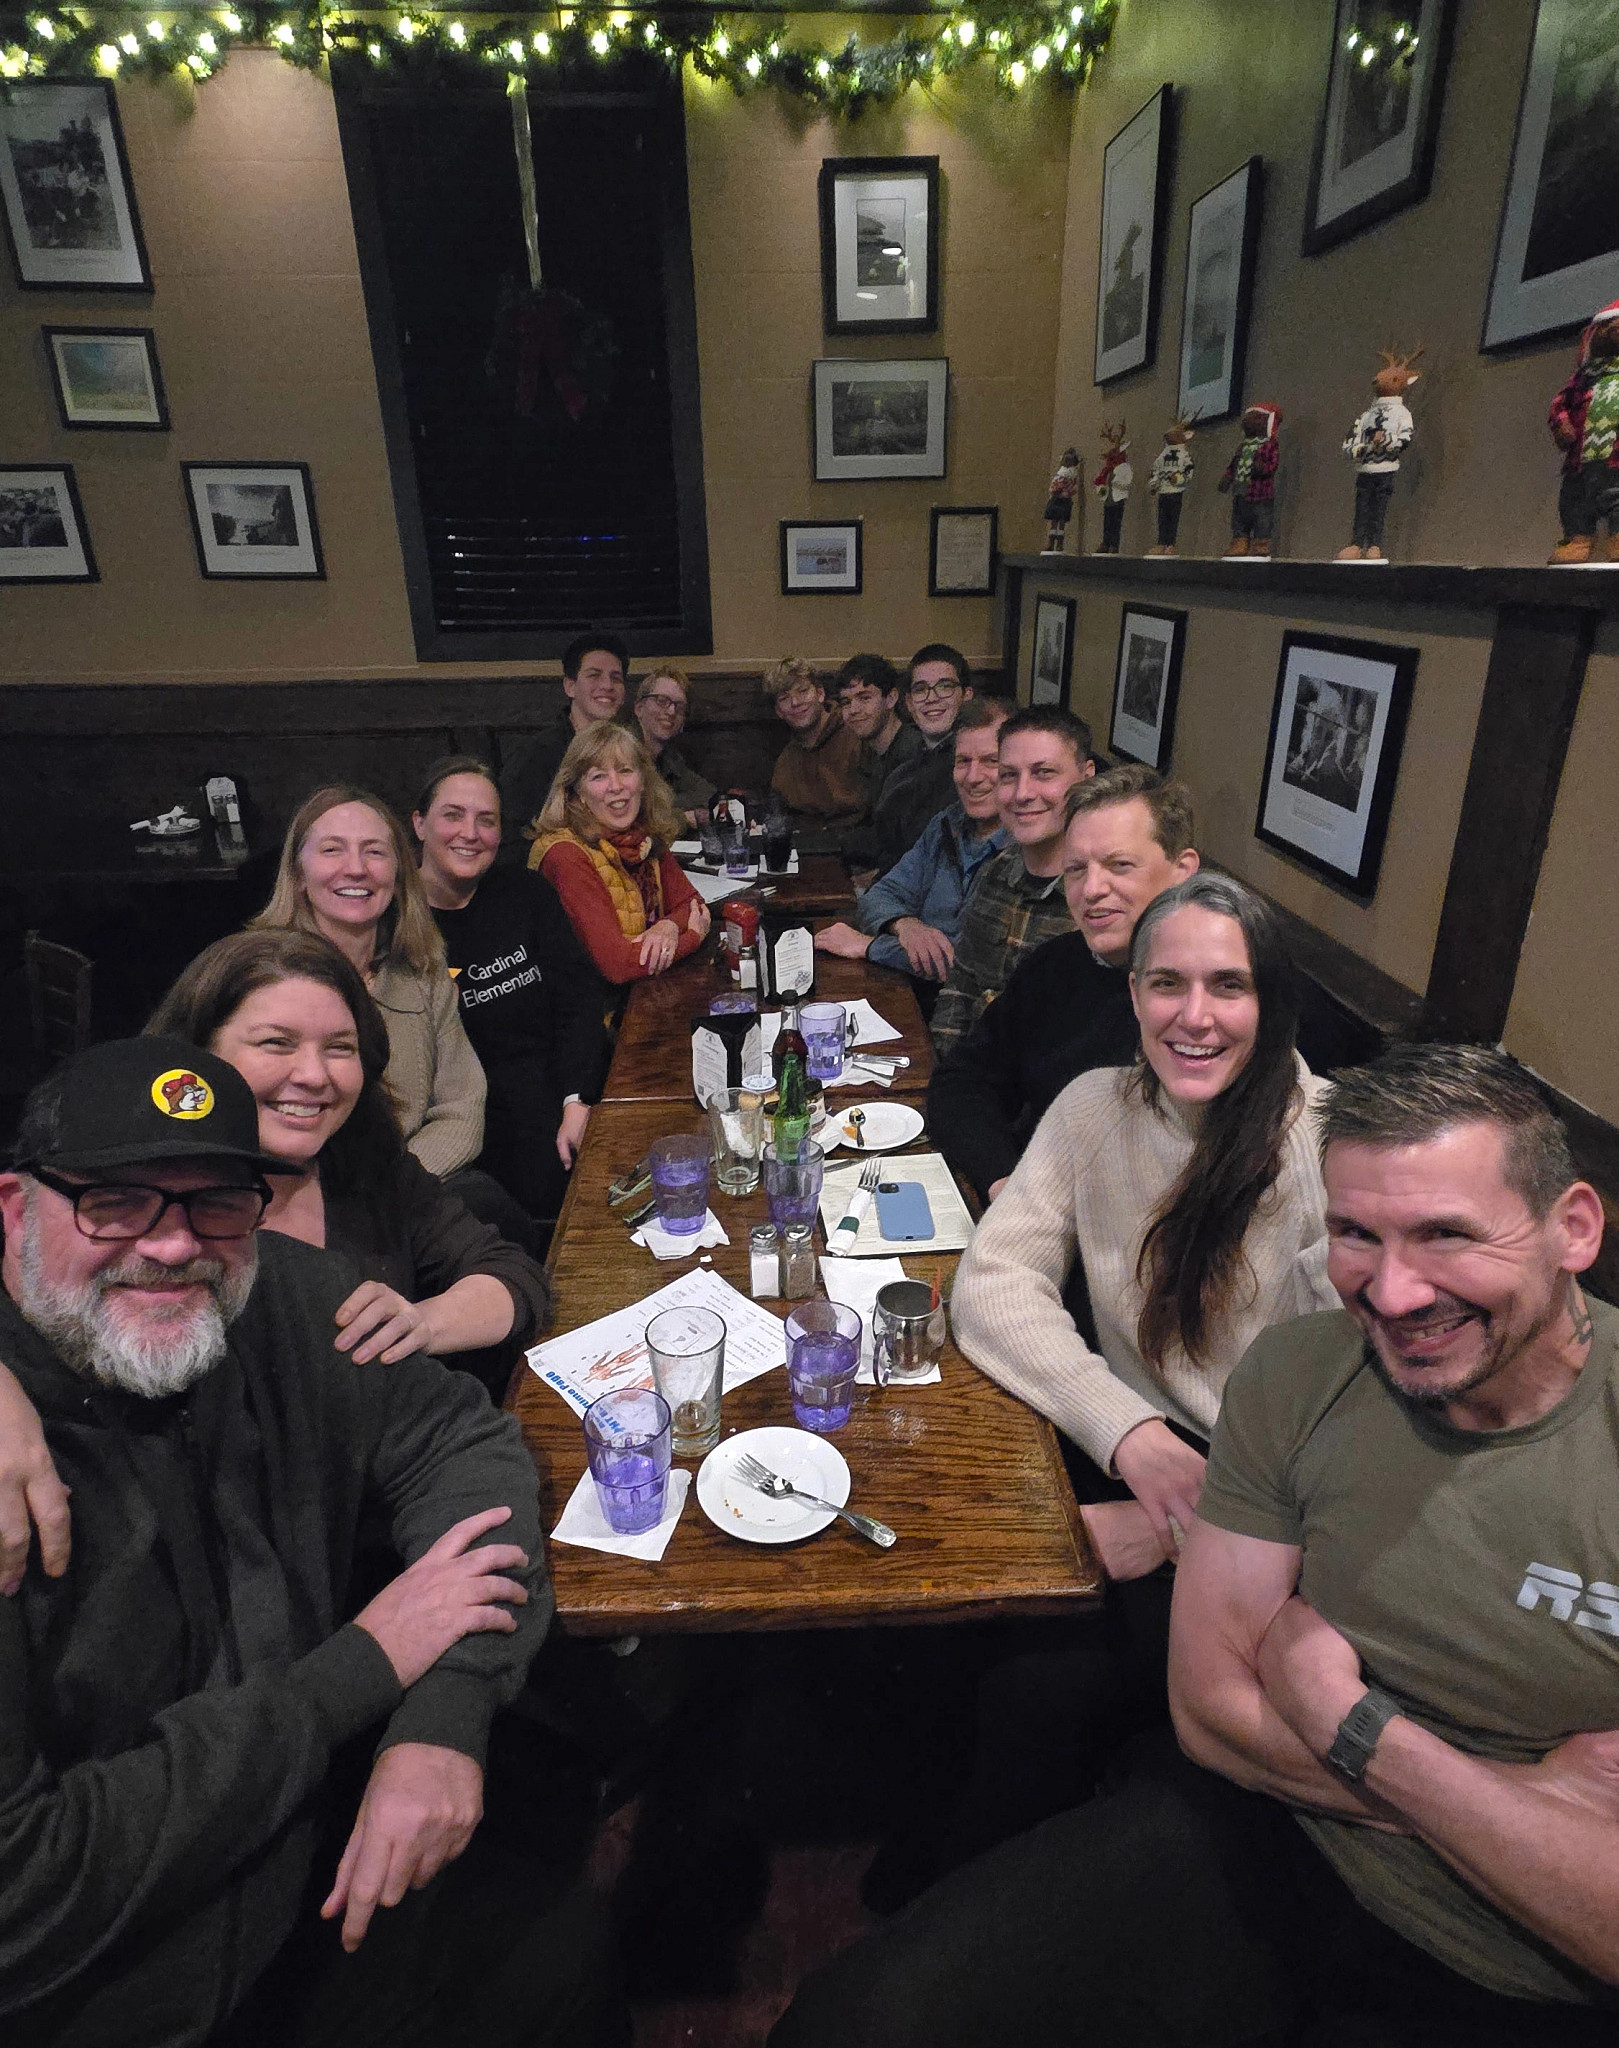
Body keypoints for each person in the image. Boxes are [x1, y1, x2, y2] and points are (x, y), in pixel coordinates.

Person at [772, 1044, 1619, 2048]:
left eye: (1444, 1235)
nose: (1391, 1294)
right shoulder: (1300, 1369)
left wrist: (1347, 1720)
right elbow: (1211, 1711)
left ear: (1571, 1226)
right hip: (1263, 1837)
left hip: (1511, 1973)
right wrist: (1516, 1805)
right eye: (1354, 1233)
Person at [0, 1036, 624, 2046]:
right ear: (15, 1209)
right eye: (114, 1200)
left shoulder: (273, 1295)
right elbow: (19, 1897)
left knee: (568, 1940)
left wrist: (444, 1710)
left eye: (216, 1197)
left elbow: (462, 1443)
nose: (171, 1243)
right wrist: (357, 1671)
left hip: (308, 1881)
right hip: (117, 1993)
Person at [145, 928, 550, 1393]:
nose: (315, 1075)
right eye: (276, 1042)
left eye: (339, 1047)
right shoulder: (146, 1213)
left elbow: (516, 1276)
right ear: (198, 1055)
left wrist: (421, 1323)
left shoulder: (365, 1162)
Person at [930, 766, 1198, 1202]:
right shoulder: (1055, 965)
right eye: (1076, 869)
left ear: (1181, 870)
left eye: (1119, 865)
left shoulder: (1218, 1001)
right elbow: (962, 1081)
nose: (1092, 889)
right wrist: (1002, 1179)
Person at [250, 785, 485, 1179]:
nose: (356, 868)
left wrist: (391, 1190)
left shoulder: (424, 974)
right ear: (298, 874)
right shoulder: (257, 980)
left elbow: (463, 1110)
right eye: (332, 850)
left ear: (398, 874)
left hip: (413, 1185)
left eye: (374, 851)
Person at [413, 757, 607, 1222]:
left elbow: (577, 1001)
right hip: (468, 1122)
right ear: (419, 824)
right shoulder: (400, 924)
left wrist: (576, 1099)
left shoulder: (526, 893)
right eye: (453, 815)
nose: (470, 832)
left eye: (487, 820)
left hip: (558, 1094)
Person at [927, 706, 1095, 1055]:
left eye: (1043, 773)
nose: (1021, 793)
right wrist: (942, 1078)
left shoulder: (1103, 897)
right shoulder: (997, 871)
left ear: (1087, 778)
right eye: (1008, 775)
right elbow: (961, 988)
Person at [814, 698, 1010, 982]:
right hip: (911, 993)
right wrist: (905, 925)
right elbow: (879, 895)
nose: (973, 777)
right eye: (963, 761)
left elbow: (967, 965)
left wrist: (869, 946)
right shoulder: (946, 822)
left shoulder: (1027, 847)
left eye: (991, 761)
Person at [528, 722, 711, 986]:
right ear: (576, 793)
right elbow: (620, 965)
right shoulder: (565, 855)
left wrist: (667, 926)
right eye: (598, 776)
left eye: (625, 771)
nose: (616, 786)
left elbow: (694, 905)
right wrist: (692, 936)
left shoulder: (644, 836)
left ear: (643, 782)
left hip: (646, 992)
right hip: (599, 1014)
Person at [497, 631, 629, 859]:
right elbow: (511, 839)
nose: (607, 685)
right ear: (570, 686)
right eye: (594, 675)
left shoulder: (628, 750)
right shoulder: (536, 755)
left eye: (616, 678)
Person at [870, 644, 976, 872]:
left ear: (967, 695)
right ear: (908, 702)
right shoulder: (904, 768)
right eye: (920, 689)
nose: (931, 698)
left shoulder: (975, 768)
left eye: (945, 686)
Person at [762, 656, 866, 847]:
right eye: (784, 698)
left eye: (802, 691)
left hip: (859, 848)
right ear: (778, 711)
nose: (795, 702)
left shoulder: (856, 735)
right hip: (807, 852)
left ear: (820, 693)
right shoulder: (786, 761)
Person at [833, 653, 925, 840]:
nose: (854, 710)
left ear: (890, 699)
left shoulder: (913, 754)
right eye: (846, 702)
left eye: (865, 698)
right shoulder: (872, 753)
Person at [631, 664, 714, 823]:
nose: (671, 711)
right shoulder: (621, 750)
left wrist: (664, 807)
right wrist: (683, 817)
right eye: (661, 701)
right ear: (639, 708)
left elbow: (708, 793)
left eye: (679, 706)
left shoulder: (669, 756)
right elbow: (637, 812)